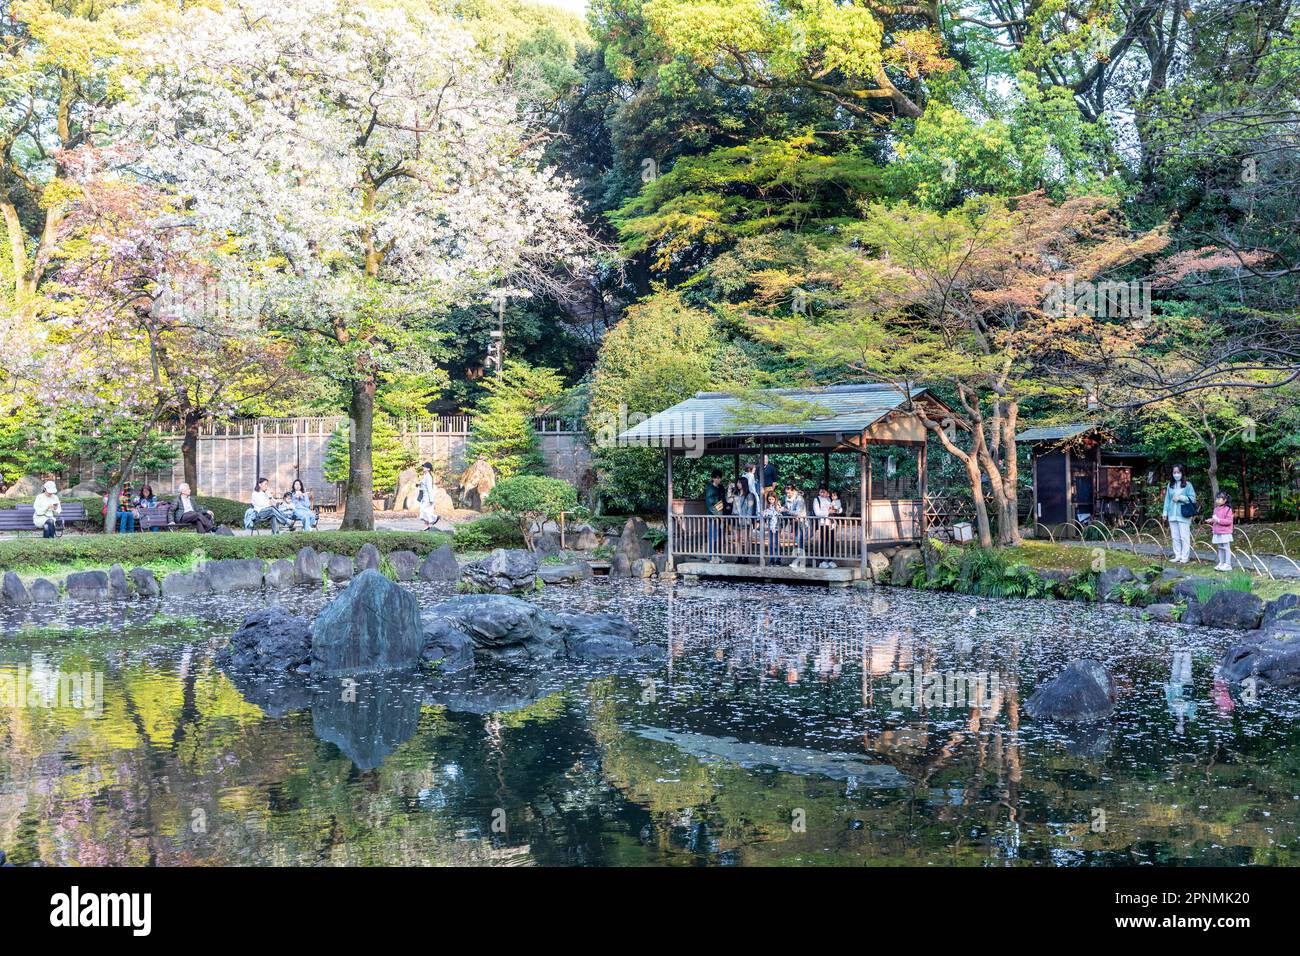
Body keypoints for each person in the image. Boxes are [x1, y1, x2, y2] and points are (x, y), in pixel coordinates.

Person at [1162, 465, 1196, 564]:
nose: (1176, 474)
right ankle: (1177, 555)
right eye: (1174, 473)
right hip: (1172, 514)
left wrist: (1181, 497)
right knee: (1175, 536)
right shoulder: (1170, 485)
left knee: (1184, 536)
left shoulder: (1188, 485)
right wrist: (1165, 512)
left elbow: (1193, 498)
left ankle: (1185, 557)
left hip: (1184, 515)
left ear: (1182, 473)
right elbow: (1167, 500)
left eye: (1178, 472)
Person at [704, 469, 726, 561]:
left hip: (721, 514)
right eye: (716, 478)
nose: (718, 479)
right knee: (713, 536)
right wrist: (718, 515)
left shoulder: (721, 488)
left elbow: (724, 500)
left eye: (719, 477)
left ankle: (718, 556)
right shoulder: (709, 488)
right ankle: (712, 556)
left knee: (720, 537)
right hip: (713, 516)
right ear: (713, 478)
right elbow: (710, 504)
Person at [1211, 491, 1235, 571]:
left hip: (1225, 532)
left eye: (1219, 498)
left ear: (1225, 500)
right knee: (1220, 548)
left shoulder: (1228, 509)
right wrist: (1211, 520)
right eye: (1216, 498)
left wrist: (1218, 520)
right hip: (1217, 532)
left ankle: (1228, 564)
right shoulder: (1216, 509)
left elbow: (1229, 521)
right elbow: (1216, 520)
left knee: (1226, 548)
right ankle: (1221, 562)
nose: (1217, 500)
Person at [811, 486, 835, 558]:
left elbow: (838, 509)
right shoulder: (817, 499)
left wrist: (836, 510)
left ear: (827, 492)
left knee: (832, 542)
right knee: (823, 541)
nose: (822, 493)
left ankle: (831, 559)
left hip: (832, 523)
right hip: (823, 523)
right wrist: (828, 512)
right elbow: (817, 513)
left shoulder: (830, 499)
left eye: (824, 492)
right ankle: (822, 560)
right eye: (820, 492)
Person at [783, 483, 807, 553]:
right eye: (786, 493)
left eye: (789, 493)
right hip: (794, 521)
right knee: (797, 539)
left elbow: (798, 512)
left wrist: (787, 511)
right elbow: (786, 507)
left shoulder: (799, 498)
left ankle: (801, 557)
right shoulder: (786, 497)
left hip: (801, 520)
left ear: (793, 491)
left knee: (799, 539)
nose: (787, 494)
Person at [762, 492, 783, 562]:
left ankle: (779, 559)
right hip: (771, 527)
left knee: (777, 542)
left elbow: (778, 514)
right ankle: (772, 558)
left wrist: (778, 509)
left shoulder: (778, 505)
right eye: (769, 499)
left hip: (777, 526)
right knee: (770, 543)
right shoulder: (768, 506)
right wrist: (764, 513)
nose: (771, 501)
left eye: (772, 499)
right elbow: (765, 513)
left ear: (775, 499)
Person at [417, 462, 437, 531]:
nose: (423, 468)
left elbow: (429, 488)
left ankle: (435, 518)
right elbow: (423, 485)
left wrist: (431, 499)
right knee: (424, 511)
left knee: (424, 511)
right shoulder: (425, 476)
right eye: (423, 466)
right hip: (424, 497)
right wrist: (419, 484)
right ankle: (426, 526)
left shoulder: (428, 477)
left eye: (425, 467)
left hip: (427, 498)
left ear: (428, 469)